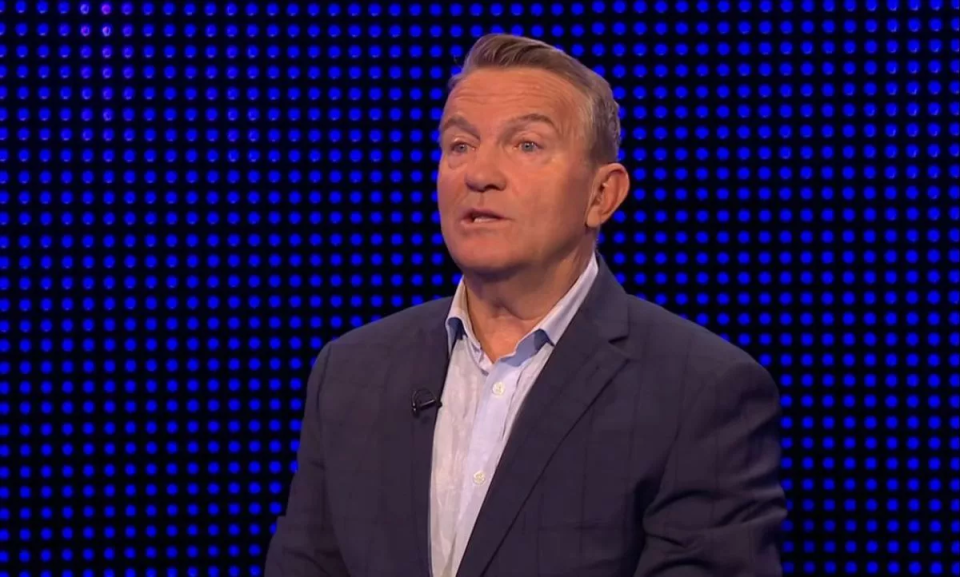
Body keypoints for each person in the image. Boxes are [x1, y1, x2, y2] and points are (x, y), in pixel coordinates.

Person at [265, 33, 786, 577]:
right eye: (460, 146)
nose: (479, 174)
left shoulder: (700, 389)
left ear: (601, 195)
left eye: (527, 145)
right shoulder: (351, 372)